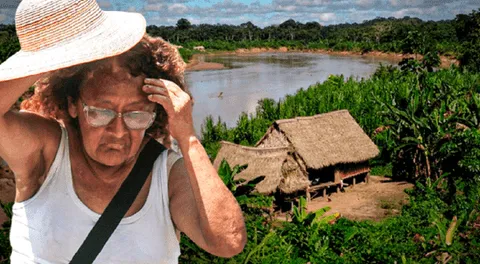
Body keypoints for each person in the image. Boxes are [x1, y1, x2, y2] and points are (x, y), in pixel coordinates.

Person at [0, 0, 246, 263]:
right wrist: (56, 55)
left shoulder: (167, 173)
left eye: (136, 115)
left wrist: (188, 137)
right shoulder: (46, 152)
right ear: (72, 104)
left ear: (156, 112)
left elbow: (227, 242)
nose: (118, 131)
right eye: (100, 112)